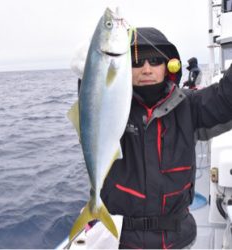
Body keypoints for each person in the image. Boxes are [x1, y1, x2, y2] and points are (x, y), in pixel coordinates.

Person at [96, 27, 232, 249]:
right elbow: (92, 101)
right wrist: (92, 68)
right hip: (122, 240)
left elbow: (226, 99)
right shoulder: (111, 110)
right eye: (137, 62)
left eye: (155, 60)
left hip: (178, 240)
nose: (147, 69)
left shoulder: (189, 106)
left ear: (168, 65)